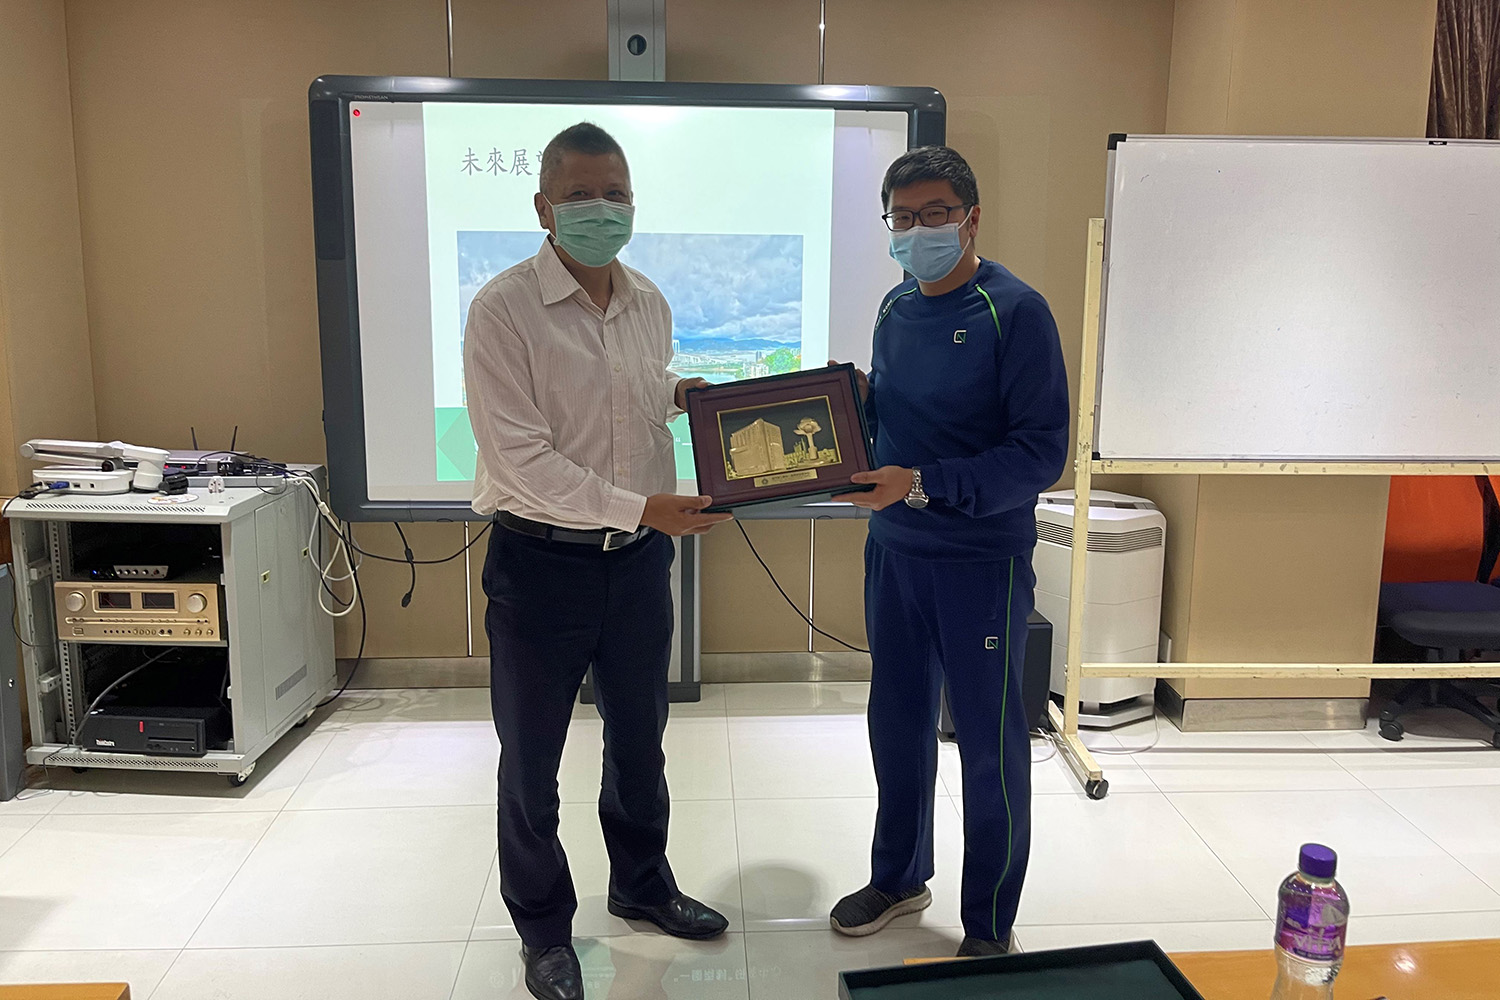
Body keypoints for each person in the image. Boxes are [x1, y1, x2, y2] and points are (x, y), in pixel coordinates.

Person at [463, 122, 732, 1000]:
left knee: (640, 742)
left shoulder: (647, 300)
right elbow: (521, 462)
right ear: (543, 207)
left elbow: (634, 391)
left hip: (638, 566)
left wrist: (683, 395)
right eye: (580, 195)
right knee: (531, 761)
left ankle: (642, 885)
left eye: (615, 193)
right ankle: (543, 930)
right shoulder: (502, 310)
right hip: (540, 565)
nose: (601, 209)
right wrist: (643, 506)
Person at [829, 145, 1070, 957]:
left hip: (980, 565)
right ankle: (899, 877)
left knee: (988, 745)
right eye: (902, 217)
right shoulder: (895, 306)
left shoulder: (1016, 311)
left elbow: (1039, 454)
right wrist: (847, 411)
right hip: (894, 554)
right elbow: (896, 425)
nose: (917, 230)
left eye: (934, 213)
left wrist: (923, 485)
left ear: (971, 218)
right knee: (896, 724)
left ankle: (990, 924)